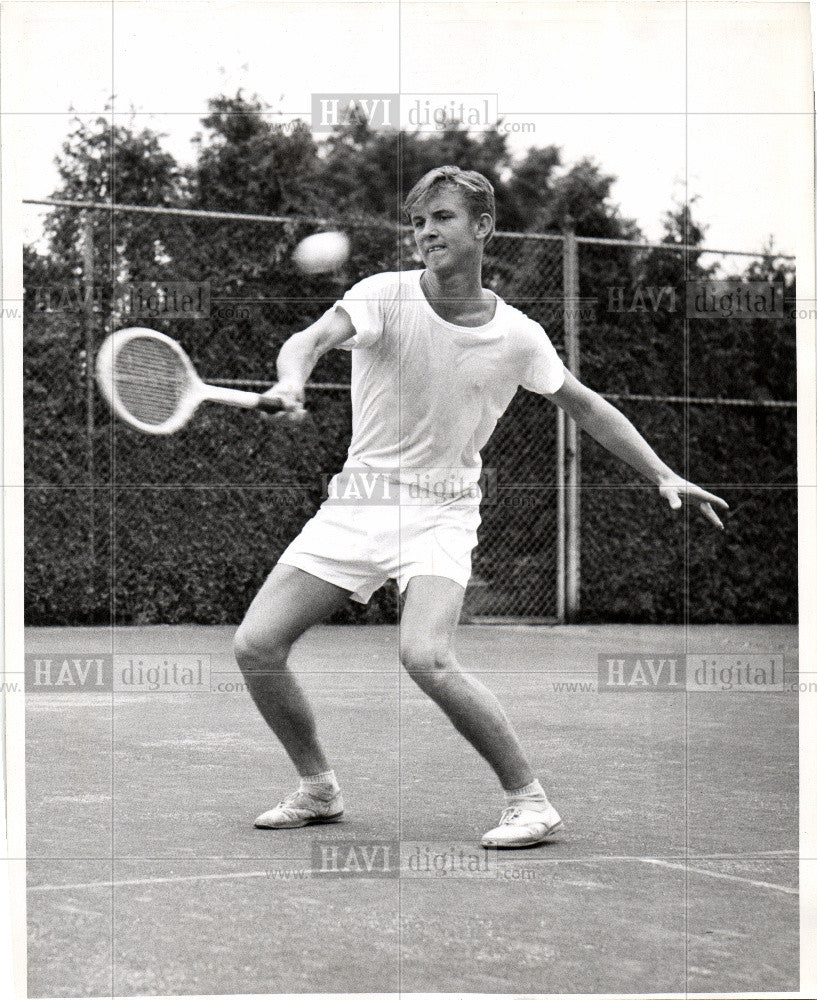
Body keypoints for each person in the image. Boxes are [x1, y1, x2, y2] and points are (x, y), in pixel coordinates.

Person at [233, 165, 727, 849]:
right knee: (256, 646)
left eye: (441, 217)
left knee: (424, 655)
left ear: (483, 227)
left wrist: (661, 473)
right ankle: (318, 788)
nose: (425, 232)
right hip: (360, 501)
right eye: (417, 221)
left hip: (441, 511)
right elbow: (309, 341)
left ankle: (530, 802)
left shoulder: (518, 336)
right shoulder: (383, 296)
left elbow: (582, 404)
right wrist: (291, 379)